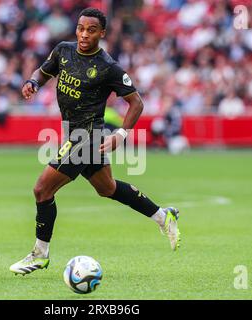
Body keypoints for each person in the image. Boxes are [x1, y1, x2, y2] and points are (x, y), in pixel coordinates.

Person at [10, 8, 181, 275]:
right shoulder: (63, 51)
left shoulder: (108, 67)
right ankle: (163, 216)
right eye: (80, 28)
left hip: (86, 137)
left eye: (91, 30)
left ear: (102, 33)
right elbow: (44, 71)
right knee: (107, 188)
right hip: (74, 132)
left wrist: (120, 135)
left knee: (42, 190)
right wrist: (34, 81)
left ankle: (40, 255)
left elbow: (136, 103)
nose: (84, 34)